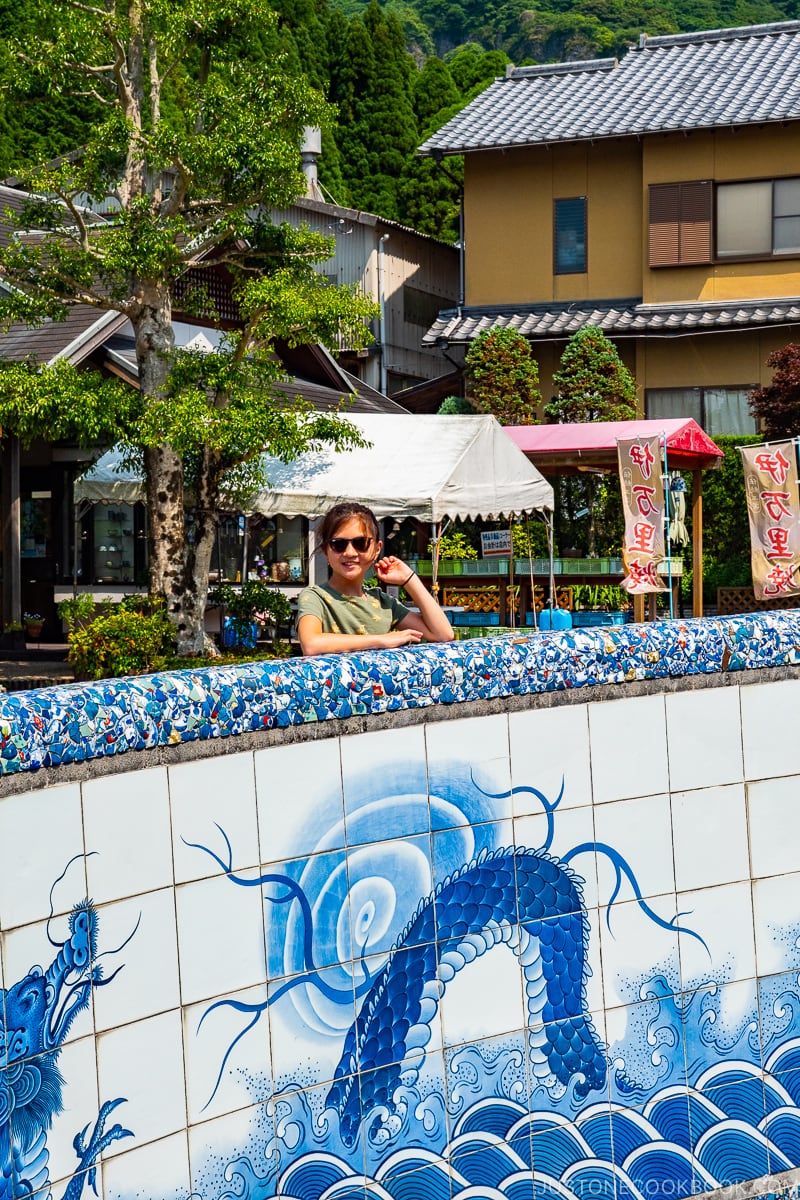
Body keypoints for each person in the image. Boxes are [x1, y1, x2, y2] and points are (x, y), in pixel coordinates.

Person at [297, 502, 455, 655]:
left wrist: (409, 578)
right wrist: (382, 640)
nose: (350, 552)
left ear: (377, 549)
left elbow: (443, 634)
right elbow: (311, 644)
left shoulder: (384, 603)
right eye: (339, 544)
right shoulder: (315, 597)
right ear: (326, 550)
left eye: (361, 543)